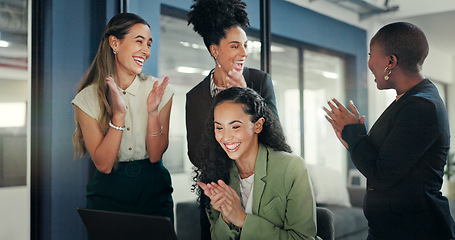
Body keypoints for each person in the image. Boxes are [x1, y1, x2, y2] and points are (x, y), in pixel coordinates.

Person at [323, 22, 455, 239]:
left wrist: (356, 134)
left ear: (390, 61)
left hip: (415, 231)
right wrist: (352, 140)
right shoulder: (410, 100)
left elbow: (382, 175)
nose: (368, 63)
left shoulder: (421, 106)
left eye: (370, 54)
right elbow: (387, 162)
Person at [72, 13, 174, 223]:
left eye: (149, 44)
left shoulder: (160, 91)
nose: (146, 51)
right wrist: (118, 115)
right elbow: (104, 165)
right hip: (107, 193)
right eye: (139, 41)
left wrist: (153, 112)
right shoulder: (86, 99)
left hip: (153, 189)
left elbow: (155, 156)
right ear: (114, 43)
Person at [194, 87, 318, 239]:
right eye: (219, 127)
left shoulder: (291, 167)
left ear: (258, 125)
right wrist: (226, 217)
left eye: (235, 127)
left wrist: (241, 219)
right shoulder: (217, 174)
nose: (225, 137)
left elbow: (303, 238)